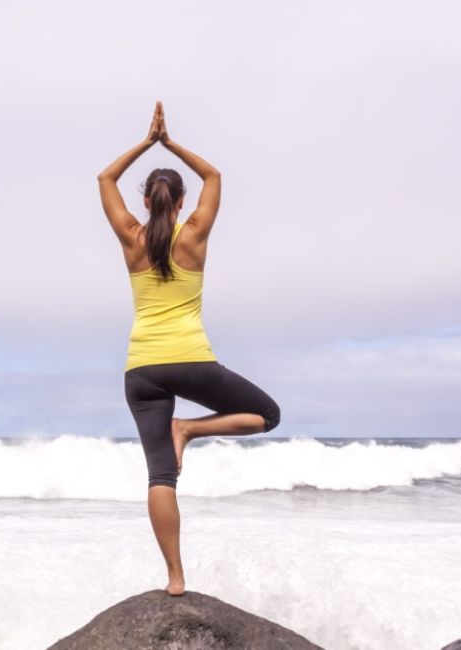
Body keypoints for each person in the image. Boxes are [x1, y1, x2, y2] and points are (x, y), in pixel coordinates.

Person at [96, 101, 282, 596]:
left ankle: (176, 578)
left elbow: (104, 180)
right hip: (192, 360)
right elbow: (214, 175)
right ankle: (192, 429)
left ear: (147, 202)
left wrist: (144, 142)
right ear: (180, 203)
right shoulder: (194, 235)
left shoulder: (131, 237)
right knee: (267, 416)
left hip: (141, 369)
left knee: (160, 475)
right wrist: (169, 141)